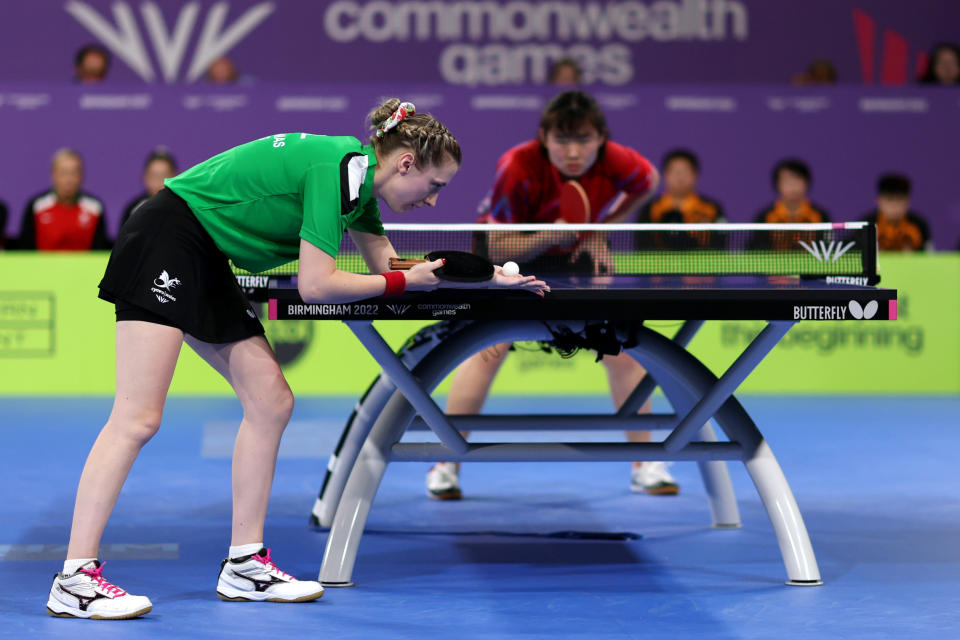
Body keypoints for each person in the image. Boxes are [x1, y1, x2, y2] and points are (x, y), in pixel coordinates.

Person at [46, 98, 546, 620]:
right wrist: (402, 279)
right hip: (167, 239)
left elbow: (390, 265)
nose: (432, 201)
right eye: (434, 185)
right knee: (137, 417)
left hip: (206, 254)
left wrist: (489, 277)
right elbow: (317, 285)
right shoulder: (335, 170)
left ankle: (245, 565)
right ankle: (74, 578)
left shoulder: (358, 187)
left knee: (270, 401)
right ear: (405, 164)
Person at [425, 90, 677, 502]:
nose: (573, 151)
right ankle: (446, 462)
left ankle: (644, 461)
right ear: (544, 137)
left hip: (575, 264)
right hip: (505, 265)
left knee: (622, 347)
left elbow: (647, 180)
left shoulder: (618, 159)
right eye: (562, 140)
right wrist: (552, 235)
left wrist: (600, 229)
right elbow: (499, 250)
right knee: (487, 348)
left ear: (601, 139)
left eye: (584, 140)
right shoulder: (517, 166)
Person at [13, 148, 109, 251]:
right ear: (53, 175)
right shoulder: (37, 206)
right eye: (63, 173)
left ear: (81, 176)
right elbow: (25, 249)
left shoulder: (95, 207)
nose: (68, 180)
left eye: (73, 173)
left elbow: (100, 251)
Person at [751, 158, 830, 251]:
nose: (793, 186)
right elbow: (757, 249)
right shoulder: (765, 217)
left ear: (807, 183)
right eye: (787, 181)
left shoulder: (820, 215)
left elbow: (827, 249)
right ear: (777, 185)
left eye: (797, 180)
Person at [862, 174, 932, 251]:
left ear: (908, 202)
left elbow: (928, 255)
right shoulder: (866, 226)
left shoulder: (919, 226)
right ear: (879, 201)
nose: (894, 206)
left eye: (899, 200)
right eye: (889, 199)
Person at [120, 148, 178, 227]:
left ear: (175, 177)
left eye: (164, 176)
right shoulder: (134, 210)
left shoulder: (184, 210)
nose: (159, 182)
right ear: (145, 177)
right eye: (154, 176)